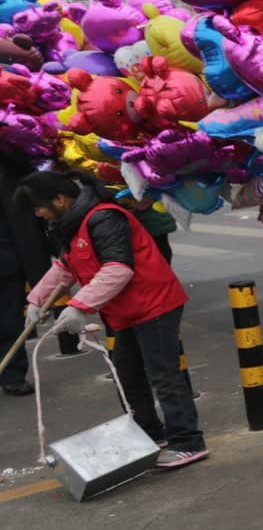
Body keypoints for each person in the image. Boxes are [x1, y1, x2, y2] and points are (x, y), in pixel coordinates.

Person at [16, 171, 207, 468]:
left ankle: (188, 441)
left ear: (59, 199)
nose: (37, 213)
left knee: (163, 375)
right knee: (127, 375)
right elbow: (68, 266)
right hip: (125, 309)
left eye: (38, 206)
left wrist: (80, 306)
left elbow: (118, 268)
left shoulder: (104, 218)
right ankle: (150, 435)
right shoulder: (72, 223)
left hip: (153, 303)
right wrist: (35, 300)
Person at [0, 156, 50, 396]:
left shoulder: (9, 176)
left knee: (8, 323)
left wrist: (41, 280)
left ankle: (11, 373)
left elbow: (25, 231)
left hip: (5, 264)